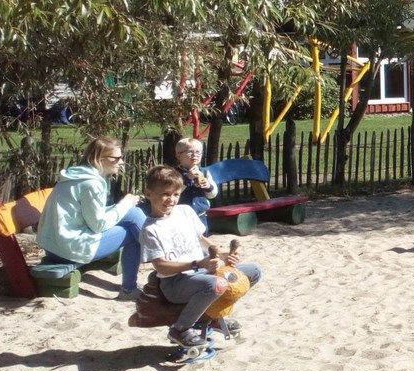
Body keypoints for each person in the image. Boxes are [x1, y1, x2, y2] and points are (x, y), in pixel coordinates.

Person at [139, 166, 262, 348]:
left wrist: (222, 254)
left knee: (253, 271)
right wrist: (197, 264)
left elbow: (201, 239)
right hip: (176, 282)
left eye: (176, 194)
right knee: (215, 284)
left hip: (203, 271)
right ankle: (180, 329)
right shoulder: (150, 229)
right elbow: (161, 266)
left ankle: (211, 314)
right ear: (148, 193)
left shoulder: (185, 211)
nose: (171, 199)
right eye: (165, 194)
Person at [36, 136, 148, 298]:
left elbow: (92, 217)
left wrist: (125, 206)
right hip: (67, 249)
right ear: (98, 159)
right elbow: (98, 225)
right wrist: (125, 204)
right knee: (130, 230)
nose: (121, 162)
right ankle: (139, 281)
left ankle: (158, 257)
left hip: (56, 246)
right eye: (116, 158)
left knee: (133, 213)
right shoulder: (91, 183)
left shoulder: (78, 176)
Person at [172, 136, 218, 227]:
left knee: (202, 234)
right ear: (178, 155)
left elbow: (213, 194)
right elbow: (172, 192)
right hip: (181, 215)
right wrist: (187, 179)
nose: (194, 155)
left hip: (200, 214)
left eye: (198, 152)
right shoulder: (174, 173)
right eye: (190, 152)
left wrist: (208, 187)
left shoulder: (204, 172)